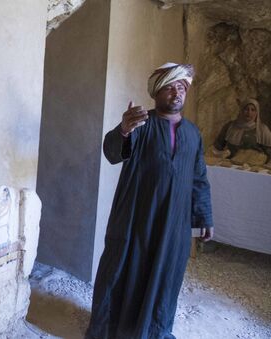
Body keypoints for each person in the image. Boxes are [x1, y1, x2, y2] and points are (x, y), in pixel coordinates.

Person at [85, 63, 214, 339]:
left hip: (174, 225)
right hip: (136, 220)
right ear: (156, 93)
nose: (176, 92)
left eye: (181, 87)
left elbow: (199, 178)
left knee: (165, 277)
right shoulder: (141, 125)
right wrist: (123, 130)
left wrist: (204, 217)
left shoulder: (193, 134)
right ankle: (113, 331)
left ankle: (154, 332)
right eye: (169, 86)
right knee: (124, 271)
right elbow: (112, 153)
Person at [212, 98, 271, 164]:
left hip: (253, 168)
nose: (249, 112)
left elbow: (269, 152)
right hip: (230, 166)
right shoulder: (230, 126)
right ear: (241, 110)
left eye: (253, 110)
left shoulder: (262, 129)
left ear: (257, 112)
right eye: (246, 109)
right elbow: (218, 147)